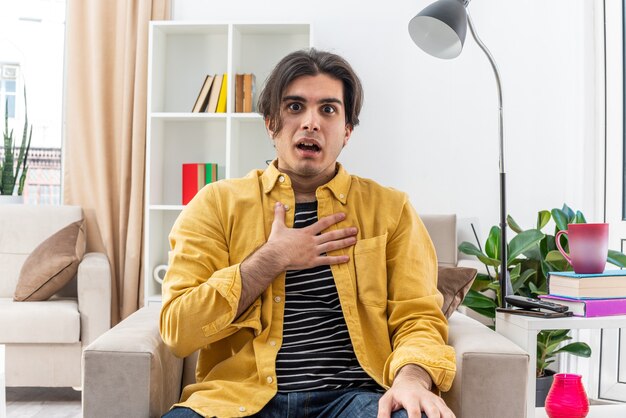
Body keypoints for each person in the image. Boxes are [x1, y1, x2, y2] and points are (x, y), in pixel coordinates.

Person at [160, 48, 456, 418]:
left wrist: (412, 379)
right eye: (295, 107)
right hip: (239, 399)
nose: (311, 122)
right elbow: (178, 330)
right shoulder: (216, 203)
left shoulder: (391, 209)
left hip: (355, 398)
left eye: (328, 109)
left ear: (347, 131)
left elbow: (418, 317)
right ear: (271, 123)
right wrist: (271, 259)